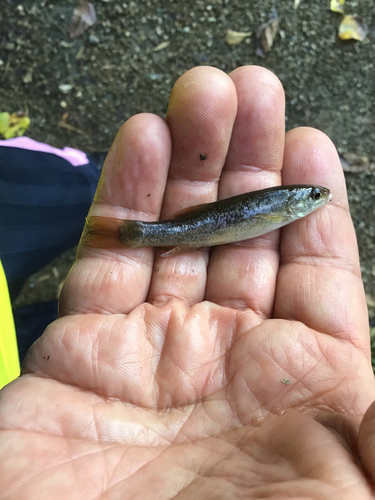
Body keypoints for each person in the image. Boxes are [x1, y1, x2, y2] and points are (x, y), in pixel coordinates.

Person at [0, 65, 375, 498]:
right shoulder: (284, 204)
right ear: (293, 202)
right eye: (311, 195)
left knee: (49, 330)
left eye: (313, 194)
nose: (317, 198)